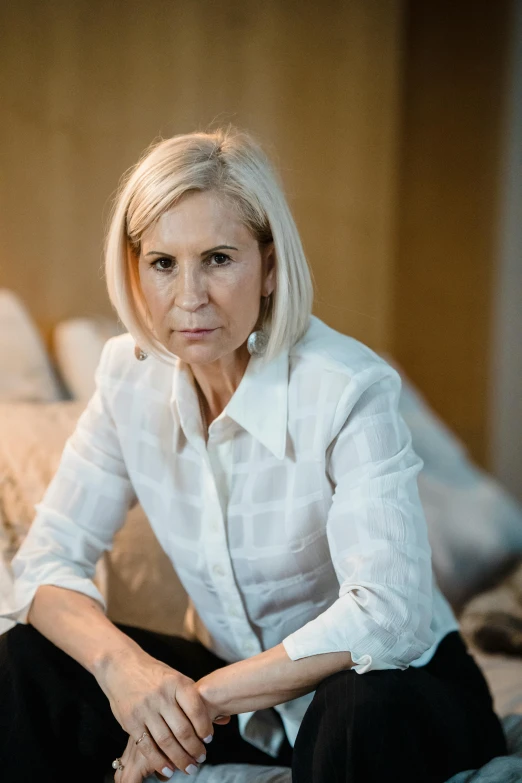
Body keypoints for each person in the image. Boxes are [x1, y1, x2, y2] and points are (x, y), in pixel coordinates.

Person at [0, 126, 507, 783]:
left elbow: (389, 612)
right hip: (244, 705)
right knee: (24, 660)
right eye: (163, 263)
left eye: (217, 258)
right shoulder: (126, 378)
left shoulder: (347, 386)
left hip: (397, 690)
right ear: (135, 269)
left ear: (269, 265)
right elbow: (44, 562)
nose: (188, 297)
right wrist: (124, 671)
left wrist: (196, 703)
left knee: (356, 705)